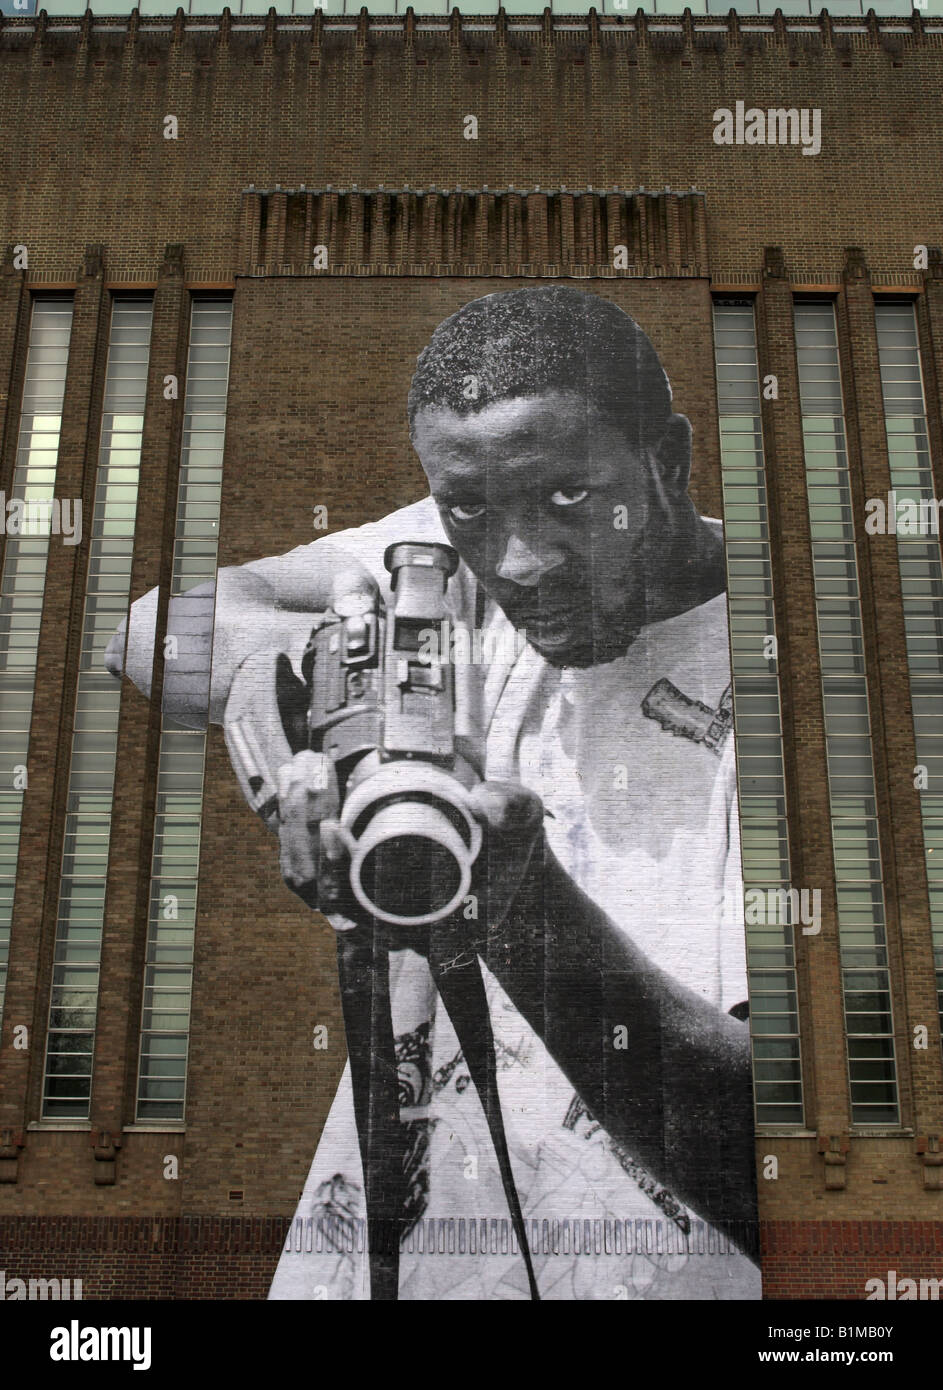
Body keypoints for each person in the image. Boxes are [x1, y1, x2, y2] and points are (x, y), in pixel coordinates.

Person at [107, 287, 761, 1301]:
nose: (517, 561)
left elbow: (770, 1161)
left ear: (666, 461)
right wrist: (294, 671)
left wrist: (519, 911)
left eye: (572, 502)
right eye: (467, 508)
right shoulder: (450, 553)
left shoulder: (797, 673)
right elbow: (147, 631)